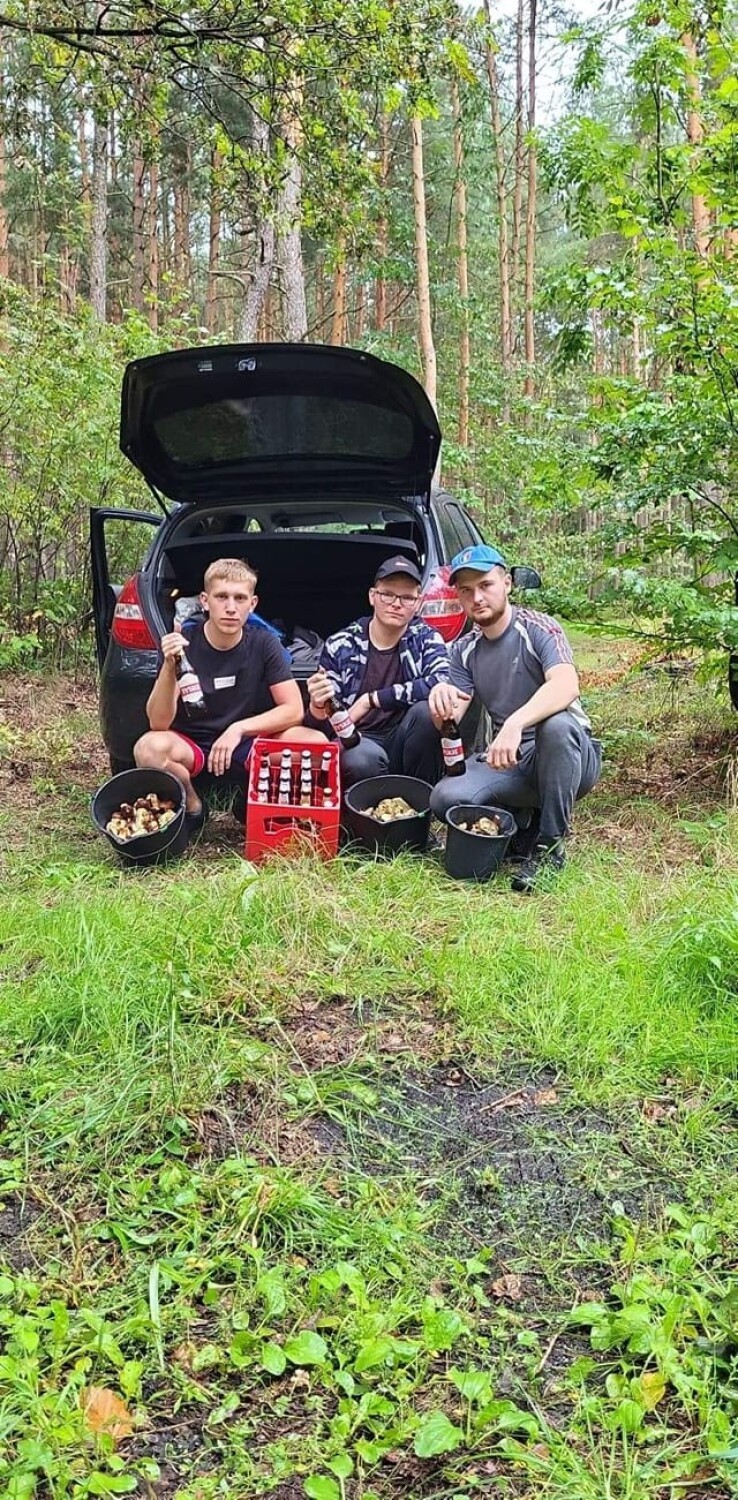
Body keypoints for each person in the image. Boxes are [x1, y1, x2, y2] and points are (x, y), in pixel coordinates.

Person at [428, 544, 602, 892]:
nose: (477, 597)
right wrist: (440, 705)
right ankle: (521, 824)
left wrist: (515, 722)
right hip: (511, 761)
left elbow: (566, 686)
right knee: (444, 799)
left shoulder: (539, 628)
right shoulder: (464, 650)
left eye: (486, 585)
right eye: (466, 590)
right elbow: (454, 716)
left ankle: (549, 848)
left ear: (506, 583)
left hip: (570, 757)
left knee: (557, 725)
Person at [135, 557, 321, 826]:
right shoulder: (184, 643)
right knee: (148, 749)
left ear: (252, 604)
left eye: (240, 598)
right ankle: (192, 804)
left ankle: (251, 800)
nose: (231, 608)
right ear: (204, 600)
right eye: (222, 597)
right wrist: (168, 666)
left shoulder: (263, 641)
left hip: (243, 743)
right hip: (191, 743)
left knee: (315, 744)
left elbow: (293, 710)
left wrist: (238, 729)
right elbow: (158, 722)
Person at [306, 556, 450, 785]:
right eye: (388, 594)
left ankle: (420, 800)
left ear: (418, 602)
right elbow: (323, 724)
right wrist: (316, 705)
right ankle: (369, 808)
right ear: (373, 596)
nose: (396, 603)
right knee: (362, 759)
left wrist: (372, 700)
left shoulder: (426, 638)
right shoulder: (341, 644)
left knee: (426, 713)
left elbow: (442, 680)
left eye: (406, 597)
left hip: (405, 735)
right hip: (360, 739)